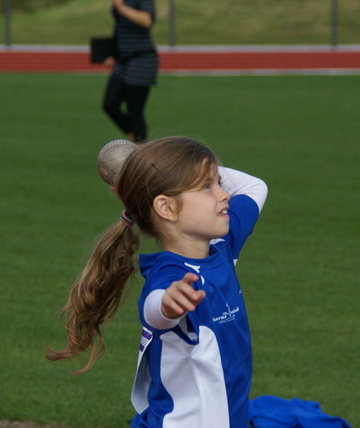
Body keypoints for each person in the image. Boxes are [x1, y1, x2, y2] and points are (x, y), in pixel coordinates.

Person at [47, 137, 268, 427]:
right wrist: (168, 306)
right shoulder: (170, 274)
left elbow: (256, 187)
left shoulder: (222, 245)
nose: (224, 194)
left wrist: (150, 166)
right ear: (166, 208)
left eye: (218, 182)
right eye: (206, 187)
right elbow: (154, 311)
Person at [102, 0, 158, 143]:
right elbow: (119, 27)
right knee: (110, 104)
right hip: (123, 59)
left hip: (142, 59)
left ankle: (140, 149)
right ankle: (138, 142)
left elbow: (147, 20)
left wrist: (121, 7)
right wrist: (113, 53)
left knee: (135, 111)